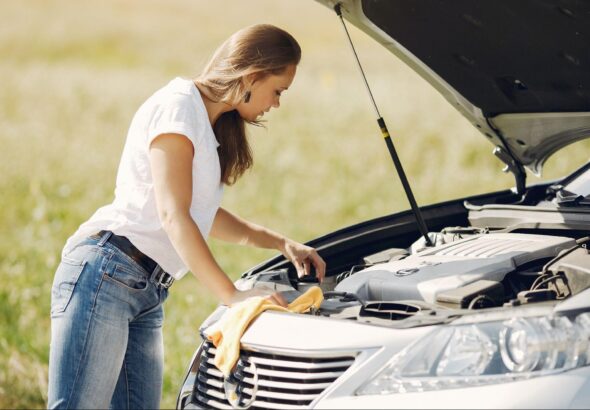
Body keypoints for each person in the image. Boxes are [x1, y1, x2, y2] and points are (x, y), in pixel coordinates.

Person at [47, 24, 326, 409]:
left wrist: (281, 242)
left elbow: (202, 215)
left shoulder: (208, 124)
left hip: (146, 291)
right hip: (106, 276)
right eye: (278, 90)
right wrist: (232, 295)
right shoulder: (178, 107)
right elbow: (173, 215)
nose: (276, 103)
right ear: (252, 75)